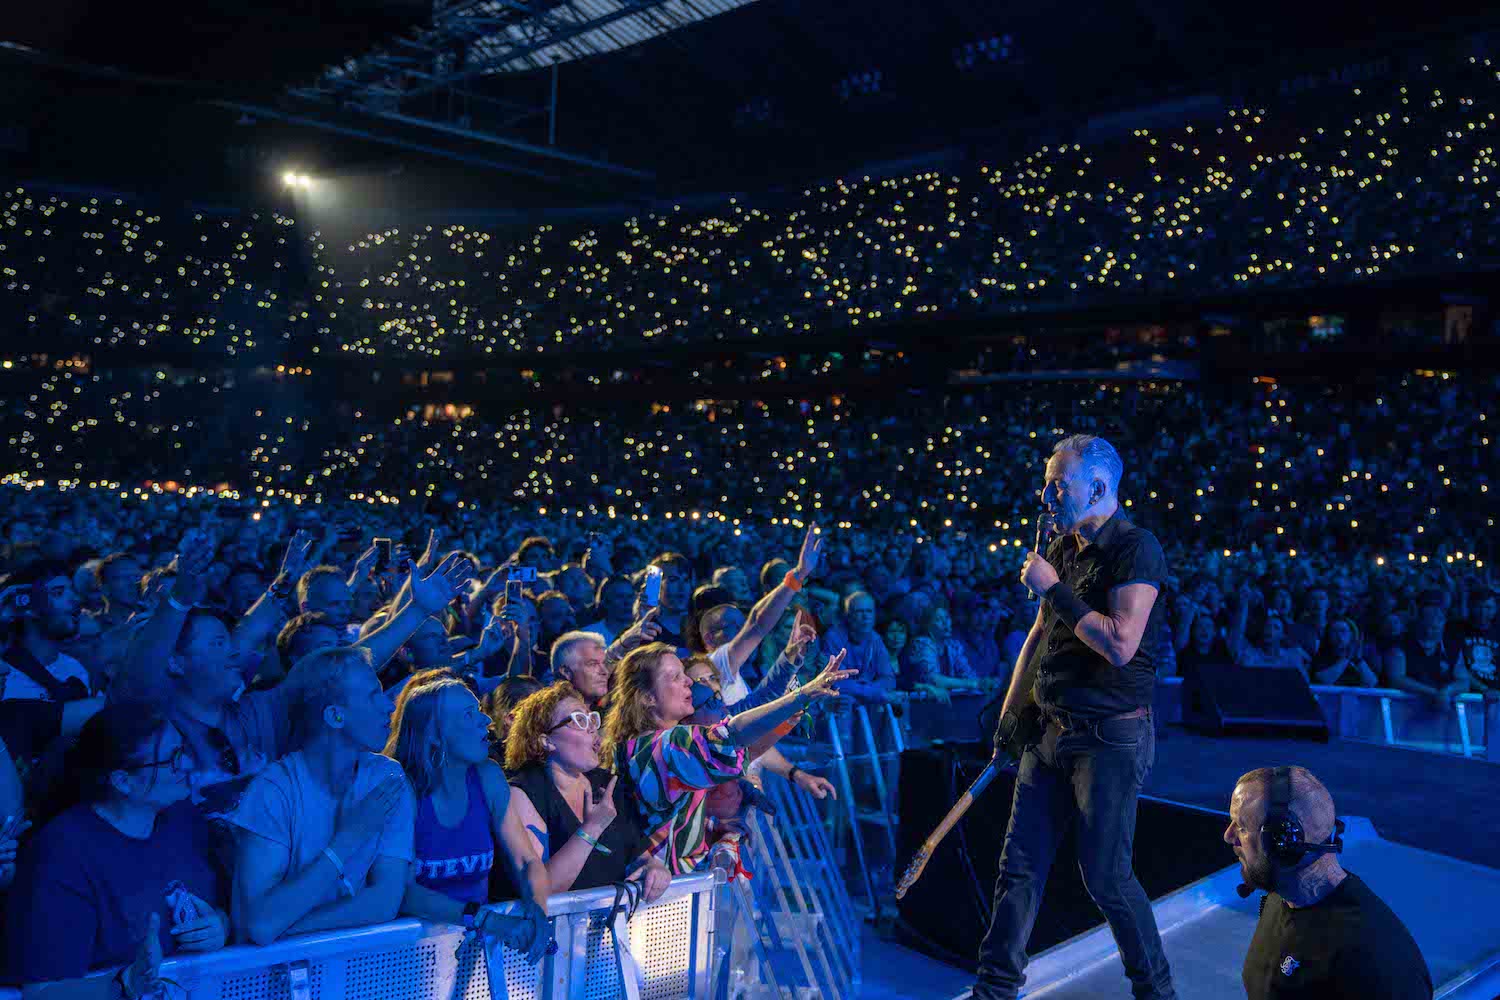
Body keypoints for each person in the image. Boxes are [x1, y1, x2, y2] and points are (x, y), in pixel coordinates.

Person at [975, 434, 1176, 1000]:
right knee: (1019, 867)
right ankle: (995, 990)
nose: (1046, 496)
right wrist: (1011, 714)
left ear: (1097, 486)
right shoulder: (1063, 547)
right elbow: (1039, 634)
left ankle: (1157, 993)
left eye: (1058, 485)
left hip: (1109, 739)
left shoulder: (1136, 548)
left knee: (1107, 878)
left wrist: (1055, 588)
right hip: (1048, 732)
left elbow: (1120, 645)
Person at [7, 704, 230, 987]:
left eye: (183, 749)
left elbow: (225, 906)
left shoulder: (184, 818)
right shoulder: (62, 857)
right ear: (123, 781)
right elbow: (45, 992)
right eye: (172, 758)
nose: (187, 763)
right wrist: (125, 983)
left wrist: (221, 926)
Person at [602, 642, 854, 874]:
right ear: (647, 697)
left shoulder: (648, 745)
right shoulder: (662, 746)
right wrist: (802, 695)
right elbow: (732, 736)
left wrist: (710, 830)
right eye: (675, 677)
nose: (688, 681)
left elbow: (744, 751)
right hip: (657, 896)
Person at [228, 646, 415, 945]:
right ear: (335, 716)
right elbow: (260, 924)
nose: (389, 706)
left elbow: (385, 901)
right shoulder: (272, 792)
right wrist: (348, 839)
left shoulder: (387, 777)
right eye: (372, 695)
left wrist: (285, 926)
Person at [1225, 766, 1431, 999]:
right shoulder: (1279, 899)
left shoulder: (1376, 964)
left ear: (1283, 844)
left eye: (1242, 827)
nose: (1228, 836)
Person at [385, 677, 552, 962]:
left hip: (468, 952)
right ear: (434, 735)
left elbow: (526, 861)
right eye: (468, 715)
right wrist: (485, 919)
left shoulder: (487, 777)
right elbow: (401, 890)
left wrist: (538, 909)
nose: (486, 720)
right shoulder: (403, 789)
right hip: (404, 958)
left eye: (479, 710)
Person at [502, 682, 669, 899]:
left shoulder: (605, 782)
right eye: (580, 720)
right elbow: (541, 889)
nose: (592, 728)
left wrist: (655, 868)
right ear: (547, 741)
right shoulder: (524, 792)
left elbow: (640, 856)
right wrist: (592, 828)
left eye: (592, 719)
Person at [1384, 592, 1469, 710]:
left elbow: (1464, 682)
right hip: (1401, 710)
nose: (1429, 632)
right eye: (1425, 627)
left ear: (1443, 624)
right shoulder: (1399, 644)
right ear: (1418, 622)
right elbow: (1396, 679)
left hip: (1440, 712)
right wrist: (1434, 693)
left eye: (1434, 628)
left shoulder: (1451, 648)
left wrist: (1447, 690)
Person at [550, 631, 611, 709]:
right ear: (566, 672)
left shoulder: (604, 712)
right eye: (592, 664)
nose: (605, 672)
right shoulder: (554, 715)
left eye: (604, 663)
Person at [1309, 619, 1379, 687]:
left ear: (1351, 635)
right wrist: (1347, 657)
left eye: (1343, 631)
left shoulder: (1361, 657)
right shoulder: (1321, 657)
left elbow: (1372, 683)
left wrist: (1358, 660)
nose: (1339, 635)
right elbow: (1325, 681)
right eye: (1334, 631)